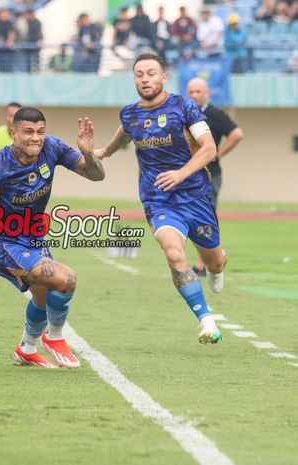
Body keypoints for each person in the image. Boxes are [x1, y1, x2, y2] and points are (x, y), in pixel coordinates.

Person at [0, 107, 105, 368]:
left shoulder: (52, 148)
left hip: (33, 238)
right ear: (13, 133)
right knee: (66, 279)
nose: (36, 138)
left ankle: (26, 348)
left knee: (42, 295)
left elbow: (96, 175)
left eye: (40, 132)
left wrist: (87, 152)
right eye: (28, 132)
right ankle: (55, 336)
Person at [93, 53, 226, 344]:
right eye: (139, 74)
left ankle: (217, 270)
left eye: (151, 73)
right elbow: (125, 134)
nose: (145, 79)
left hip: (195, 197)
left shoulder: (183, 106)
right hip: (159, 199)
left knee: (215, 262)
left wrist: (181, 173)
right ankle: (206, 320)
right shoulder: (129, 113)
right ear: (134, 79)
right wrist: (103, 152)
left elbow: (209, 149)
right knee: (174, 254)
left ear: (163, 77)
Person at [186, 77, 243, 275]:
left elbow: (237, 134)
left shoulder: (214, 114)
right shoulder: (185, 114)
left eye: (198, 92)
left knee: (205, 216)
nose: (194, 95)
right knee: (191, 217)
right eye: (191, 92)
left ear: (207, 93)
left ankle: (203, 265)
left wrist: (219, 154)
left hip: (210, 174)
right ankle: (205, 262)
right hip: (189, 174)